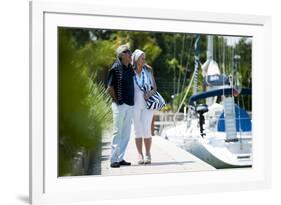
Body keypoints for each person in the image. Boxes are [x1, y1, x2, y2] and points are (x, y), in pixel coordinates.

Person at [106, 44, 135, 168]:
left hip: (130, 105)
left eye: (130, 51)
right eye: (127, 51)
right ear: (121, 55)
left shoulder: (130, 68)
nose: (130, 53)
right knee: (117, 132)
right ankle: (113, 159)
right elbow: (109, 88)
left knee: (126, 133)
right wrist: (117, 101)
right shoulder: (115, 68)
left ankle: (120, 157)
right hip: (119, 105)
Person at [131, 49, 157, 164]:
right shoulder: (130, 72)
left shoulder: (148, 71)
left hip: (147, 105)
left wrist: (149, 94)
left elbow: (155, 88)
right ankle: (139, 154)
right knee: (137, 130)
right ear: (136, 59)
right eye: (142, 57)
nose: (144, 60)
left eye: (144, 57)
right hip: (135, 105)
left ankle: (148, 153)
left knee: (146, 129)